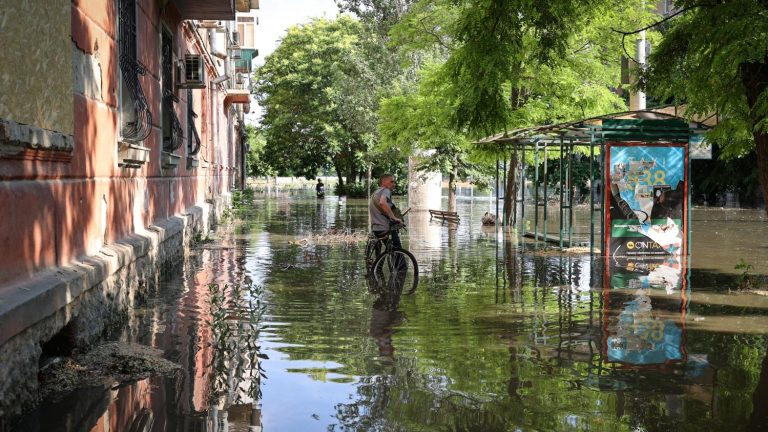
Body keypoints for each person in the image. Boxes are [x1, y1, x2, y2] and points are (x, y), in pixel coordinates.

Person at [369, 173, 402, 250]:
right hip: (385, 228)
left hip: (376, 228)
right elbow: (383, 203)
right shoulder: (386, 190)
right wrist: (394, 218)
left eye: (394, 182)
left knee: (388, 250)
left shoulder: (375, 193)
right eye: (391, 182)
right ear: (383, 182)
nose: (394, 184)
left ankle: (379, 261)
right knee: (398, 252)